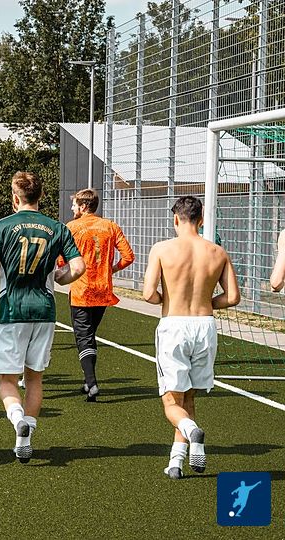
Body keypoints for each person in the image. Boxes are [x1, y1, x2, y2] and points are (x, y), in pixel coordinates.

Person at [0, 171, 85, 464]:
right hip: (44, 309)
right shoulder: (57, 228)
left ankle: (17, 419)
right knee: (34, 377)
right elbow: (78, 267)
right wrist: (60, 277)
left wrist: (1, 273)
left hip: (13, 308)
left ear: (15, 198)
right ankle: (25, 438)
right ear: (40, 196)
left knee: (7, 379)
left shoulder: (2, 226)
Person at [142, 195, 239, 479]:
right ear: (202, 219)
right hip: (205, 326)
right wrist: (207, 303)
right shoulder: (218, 252)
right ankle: (176, 461)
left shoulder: (162, 249)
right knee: (189, 398)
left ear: (176, 219)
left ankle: (190, 430)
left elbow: (148, 294)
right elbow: (233, 297)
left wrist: (166, 299)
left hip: (174, 325)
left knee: (171, 402)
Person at [65, 188, 135, 401]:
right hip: (103, 290)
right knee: (89, 335)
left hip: (81, 290)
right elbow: (128, 256)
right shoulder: (110, 226)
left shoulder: (72, 227)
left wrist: (66, 271)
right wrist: (110, 269)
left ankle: (92, 382)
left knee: (84, 337)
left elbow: (61, 259)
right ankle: (88, 382)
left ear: (83, 206)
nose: (72, 208)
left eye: (74, 205)